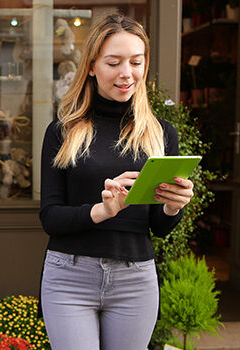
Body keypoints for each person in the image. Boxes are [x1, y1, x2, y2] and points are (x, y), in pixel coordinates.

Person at [38, 13, 195, 350]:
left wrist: (171, 206)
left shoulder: (161, 133)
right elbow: (50, 217)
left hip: (135, 278)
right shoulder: (62, 131)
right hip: (70, 277)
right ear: (92, 66)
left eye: (136, 62)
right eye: (114, 62)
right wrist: (102, 210)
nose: (127, 73)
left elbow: (160, 228)